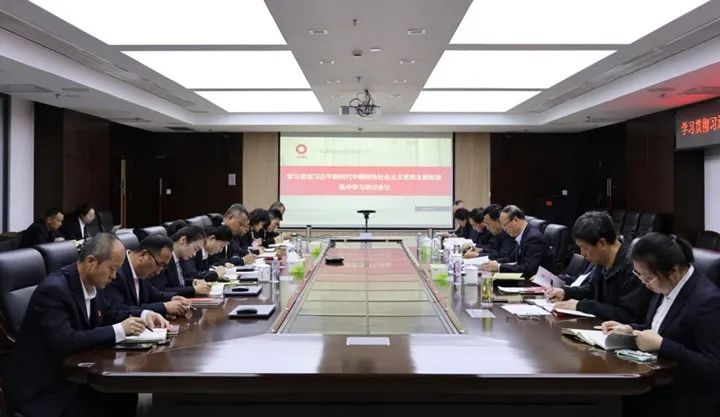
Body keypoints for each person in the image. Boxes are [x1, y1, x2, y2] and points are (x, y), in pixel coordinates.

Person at [3, 233, 167, 417]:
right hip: (46, 387)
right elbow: (66, 340)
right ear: (91, 262)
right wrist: (119, 330)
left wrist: (145, 314)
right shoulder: (54, 290)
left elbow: (111, 312)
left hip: (75, 375)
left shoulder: (93, 283)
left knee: (125, 396)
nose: (114, 276)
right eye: (112, 269)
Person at [601, 233, 720, 417]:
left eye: (647, 277)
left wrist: (664, 345)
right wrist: (632, 329)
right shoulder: (664, 285)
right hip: (656, 379)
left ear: (673, 271)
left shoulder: (708, 301)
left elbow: (713, 367)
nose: (644, 283)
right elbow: (658, 327)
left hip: (684, 397)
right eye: (639, 275)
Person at [547, 211, 652, 322]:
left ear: (602, 243)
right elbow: (591, 290)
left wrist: (581, 306)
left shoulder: (634, 268)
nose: (582, 253)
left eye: (584, 247)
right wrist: (566, 292)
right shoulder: (601, 260)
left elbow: (627, 314)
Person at [105, 234, 191, 317]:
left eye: (163, 267)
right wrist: (164, 307)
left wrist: (172, 298)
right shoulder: (115, 272)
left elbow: (153, 295)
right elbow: (119, 311)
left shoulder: (142, 271)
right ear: (143, 255)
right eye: (159, 264)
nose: (158, 272)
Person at [481, 205, 555, 278]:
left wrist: (499, 267)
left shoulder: (533, 238)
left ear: (515, 220)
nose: (504, 229)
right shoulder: (523, 234)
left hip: (538, 281)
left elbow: (528, 269)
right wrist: (495, 262)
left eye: (505, 225)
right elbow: (512, 258)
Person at [149, 224, 212, 297]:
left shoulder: (179, 257)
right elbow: (161, 290)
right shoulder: (163, 258)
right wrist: (193, 290)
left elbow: (176, 283)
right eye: (195, 249)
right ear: (183, 241)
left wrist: (193, 281)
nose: (194, 254)